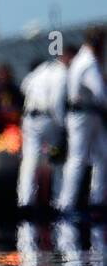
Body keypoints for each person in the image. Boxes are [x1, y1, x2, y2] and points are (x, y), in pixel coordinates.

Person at [56, 26, 106, 218]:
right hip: (84, 115)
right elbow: (100, 93)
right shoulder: (89, 62)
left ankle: (96, 201)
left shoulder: (81, 59)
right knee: (78, 159)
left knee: (102, 154)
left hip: (86, 115)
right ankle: (67, 205)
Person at [18, 51, 71, 214]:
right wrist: (62, 126)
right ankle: (58, 201)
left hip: (29, 118)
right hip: (47, 119)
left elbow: (23, 86)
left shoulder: (40, 70)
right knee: (58, 159)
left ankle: (25, 202)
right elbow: (56, 103)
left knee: (29, 160)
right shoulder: (61, 73)